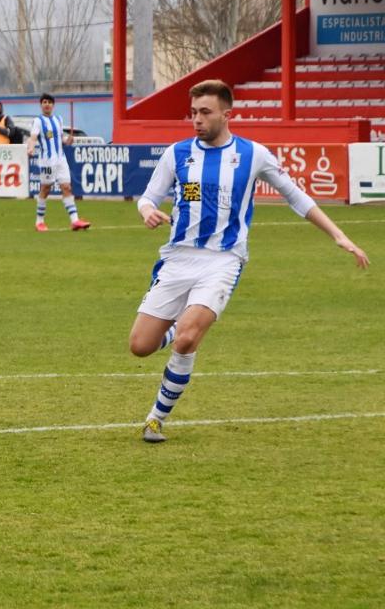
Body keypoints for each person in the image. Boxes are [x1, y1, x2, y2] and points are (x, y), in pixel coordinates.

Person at [130, 79, 370, 444]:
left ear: (228, 114)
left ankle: (155, 418)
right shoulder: (176, 154)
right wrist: (147, 211)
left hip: (224, 260)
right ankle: (178, 328)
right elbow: (147, 197)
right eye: (193, 112)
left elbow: (296, 196)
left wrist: (338, 235)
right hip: (178, 259)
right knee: (140, 346)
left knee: (188, 338)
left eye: (205, 112)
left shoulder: (253, 154)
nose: (197, 120)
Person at [26, 92, 90, 232]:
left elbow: (61, 139)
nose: (47, 104)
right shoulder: (38, 121)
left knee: (66, 187)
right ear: (41, 105)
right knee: (46, 189)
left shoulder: (58, 119)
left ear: (53, 105)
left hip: (61, 159)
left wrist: (68, 141)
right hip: (47, 160)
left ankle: (75, 221)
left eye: (49, 102)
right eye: (44, 102)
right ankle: (39, 222)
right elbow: (33, 137)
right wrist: (30, 148)